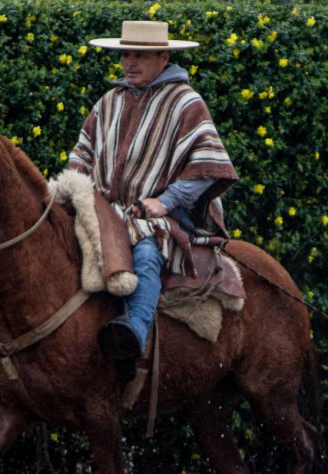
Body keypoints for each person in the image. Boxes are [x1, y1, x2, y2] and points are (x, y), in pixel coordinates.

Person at [68, 20, 238, 379]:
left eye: (140, 55)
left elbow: (209, 165)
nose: (129, 62)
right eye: (125, 53)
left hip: (160, 217)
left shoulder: (186, 103)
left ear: (163, 56)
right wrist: (79, 194)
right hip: (103, 211)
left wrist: (165, 201)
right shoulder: (108, 102)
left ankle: (133, 333)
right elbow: (81, 155)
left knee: (147, 249)